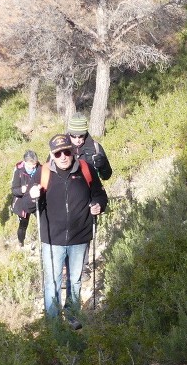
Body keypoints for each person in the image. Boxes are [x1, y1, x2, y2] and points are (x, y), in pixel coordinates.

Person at [28, 134, 107, 329]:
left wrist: (98, 204)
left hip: (79, 237)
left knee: (76, 280)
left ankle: (72, 315)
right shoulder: (43, 173)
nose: (63, 156)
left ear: (72, 151)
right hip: (52, 239)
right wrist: (32, 197)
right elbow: (27, 205)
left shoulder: (86, 169)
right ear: (51, 155)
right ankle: (54, 324)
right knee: (52, 282)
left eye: (67, 151)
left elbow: (99, 193)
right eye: (58, 153)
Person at [66, 113, 112, 181]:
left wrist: (103, 166)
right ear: (69, 133)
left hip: (90, 189)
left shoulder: (96, 148)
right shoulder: (61, 148)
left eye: (81, 136)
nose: (77, 140)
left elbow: (106, 176)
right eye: (73, 136)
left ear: (85, 134)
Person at [10, 150, 40, 249]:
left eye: (35, 164)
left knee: (42, 222)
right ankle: (20, 243)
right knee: (23, 224)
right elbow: (14, 190)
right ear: (25, 162)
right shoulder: (19, 171)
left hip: (37, 200)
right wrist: (22, 190)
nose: (34, 167)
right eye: (32, 165)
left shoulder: (40, 168)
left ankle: (44, 243)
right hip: (22, 201)